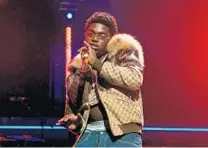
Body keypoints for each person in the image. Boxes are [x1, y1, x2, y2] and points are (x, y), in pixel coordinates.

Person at [56, 11, 145, 147]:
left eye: (101, 35)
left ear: (112, 38)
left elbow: (134, 79)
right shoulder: (79, 65)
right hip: (89, 133)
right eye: (91, 34)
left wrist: (97, 64)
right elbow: (74, 104)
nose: (95, 39)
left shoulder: (123, 52)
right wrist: (75, 120)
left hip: (121, 135)